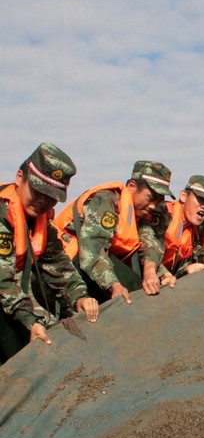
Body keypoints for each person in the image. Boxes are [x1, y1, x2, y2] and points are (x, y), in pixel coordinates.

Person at [0, 143, 99, 360]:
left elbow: (60, 268)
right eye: (38, 191)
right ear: (19, 178)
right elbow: (2, 281)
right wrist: (30, 320)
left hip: (10, 293)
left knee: (52, 332)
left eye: (51, 196)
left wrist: (80, 297)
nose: (43, 201)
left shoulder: (41, 224)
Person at [54, 160, 174, 303]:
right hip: (66, 268)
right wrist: (114, 286)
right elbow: (93, 250)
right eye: (151, 198)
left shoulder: (139, 213)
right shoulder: (105, 201)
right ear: (131, 186)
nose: (154, 206)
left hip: (96, 268)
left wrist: (156, 272)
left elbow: (148, 242)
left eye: (159, 200)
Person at [140, 175, 204, 279]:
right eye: (201, 200)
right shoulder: (163, 213)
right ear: (183, 196)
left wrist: (203, 260)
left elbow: (194, 251)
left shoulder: (200, 226)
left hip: (166, 278)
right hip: (141, 273)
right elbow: (146, 246)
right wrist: (163, 274)